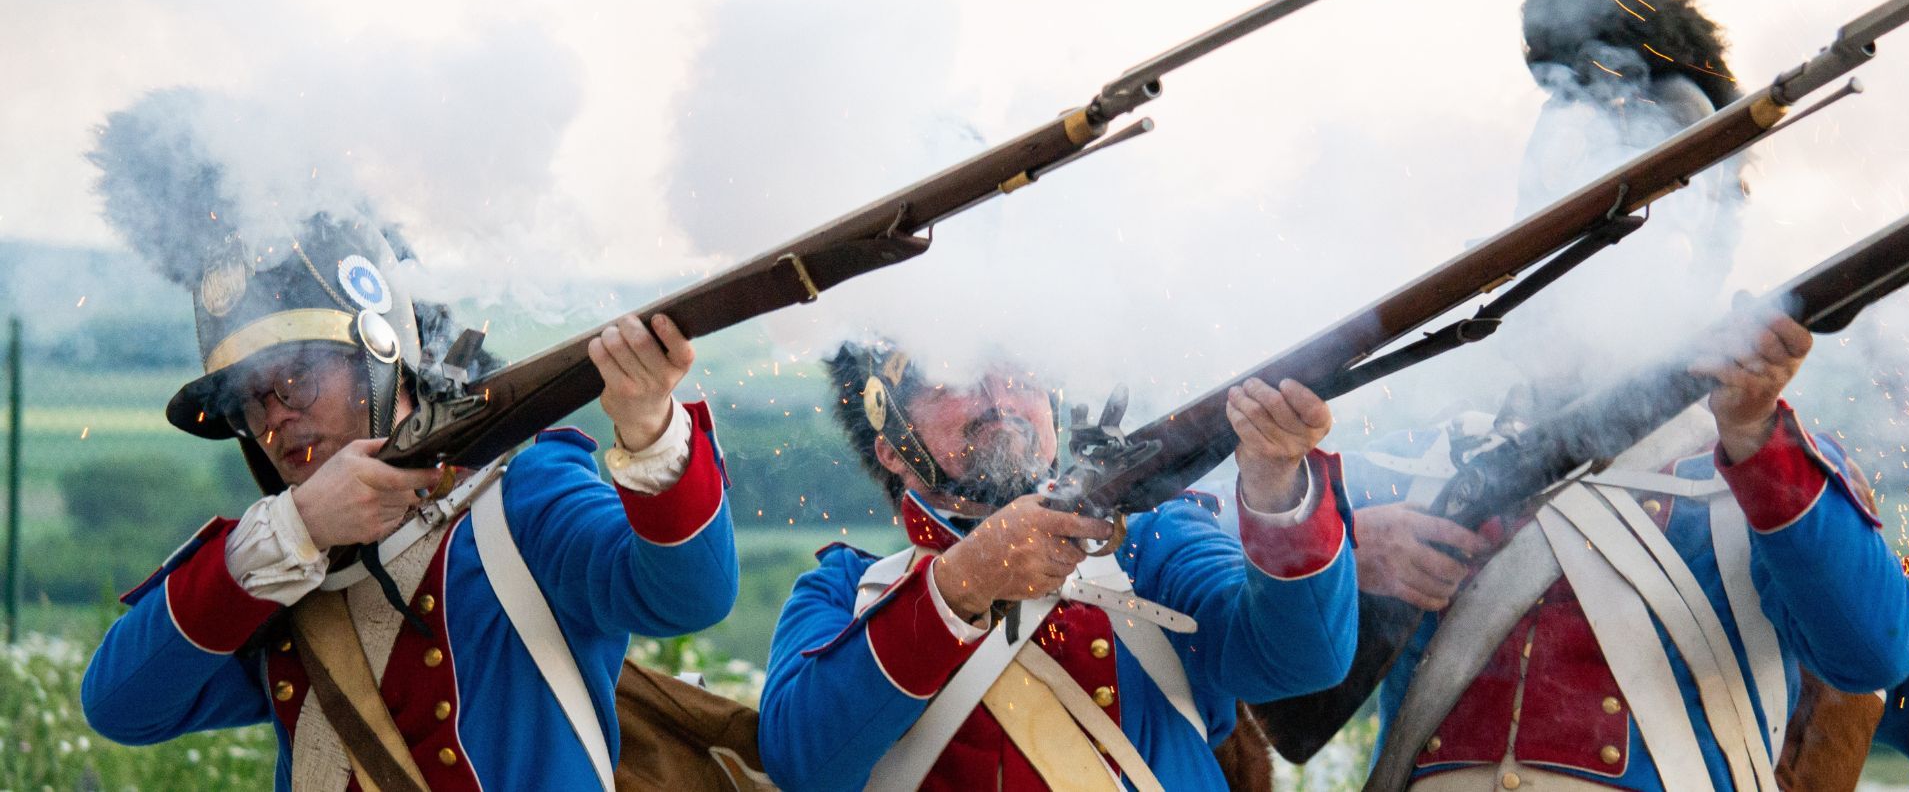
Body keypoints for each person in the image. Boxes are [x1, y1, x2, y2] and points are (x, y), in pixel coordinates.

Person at [1334, 0, 1909, 791]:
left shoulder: (1776, 474)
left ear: (1705, 249)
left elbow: (1873, 653)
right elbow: (1262, 673)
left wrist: (1756, 439)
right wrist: (1344, 558)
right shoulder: (1408, 473)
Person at [78, 208, 737, 791]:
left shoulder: (521, 496)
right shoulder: (275, 562)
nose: (275, 419)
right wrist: (299, 529)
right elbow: (120, 705)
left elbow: (690, 594)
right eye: (254, 398)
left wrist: (650, 426)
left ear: (379, 356)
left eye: (296, 379)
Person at [756, 342, 1358, 791]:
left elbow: (1302, 658)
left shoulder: (1151, 541)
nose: (998, 401)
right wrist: (964, 583)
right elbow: (801, 761)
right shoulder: (845, 592)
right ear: (892, 445)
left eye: (1018, 375)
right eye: (951, 383)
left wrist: (1276, 481)